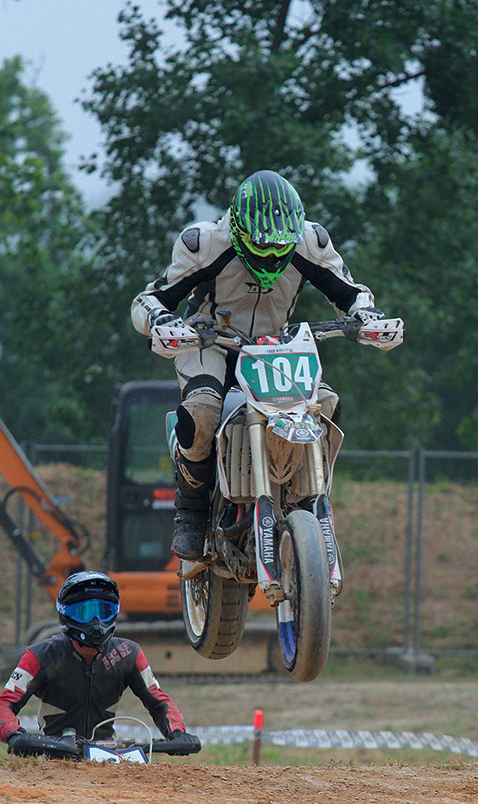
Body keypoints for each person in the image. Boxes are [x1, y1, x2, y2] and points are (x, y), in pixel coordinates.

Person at [131, 169, 402, 560]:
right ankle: (189, 510)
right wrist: (163, 321)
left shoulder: (311, 241)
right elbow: (149, 298)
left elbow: (351, 293)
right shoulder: (204, 243)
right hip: (210, 342)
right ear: (239, 231)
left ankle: (305, 497)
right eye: (263, 247)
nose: (273, 256)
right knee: (203, 413)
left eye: (281, 248)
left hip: (275, 347)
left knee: (326, 406)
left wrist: (368, 317)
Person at [0, 571, 200, 749]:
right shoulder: (39, 655)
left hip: (107, 760)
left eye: (104, 612)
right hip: (52, 759)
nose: (96, 622)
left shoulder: (128, 653)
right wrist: (14, 735)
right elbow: (5, 704)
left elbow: (159, 701)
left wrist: (177, 733)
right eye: (84, 613)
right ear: (66, 615)